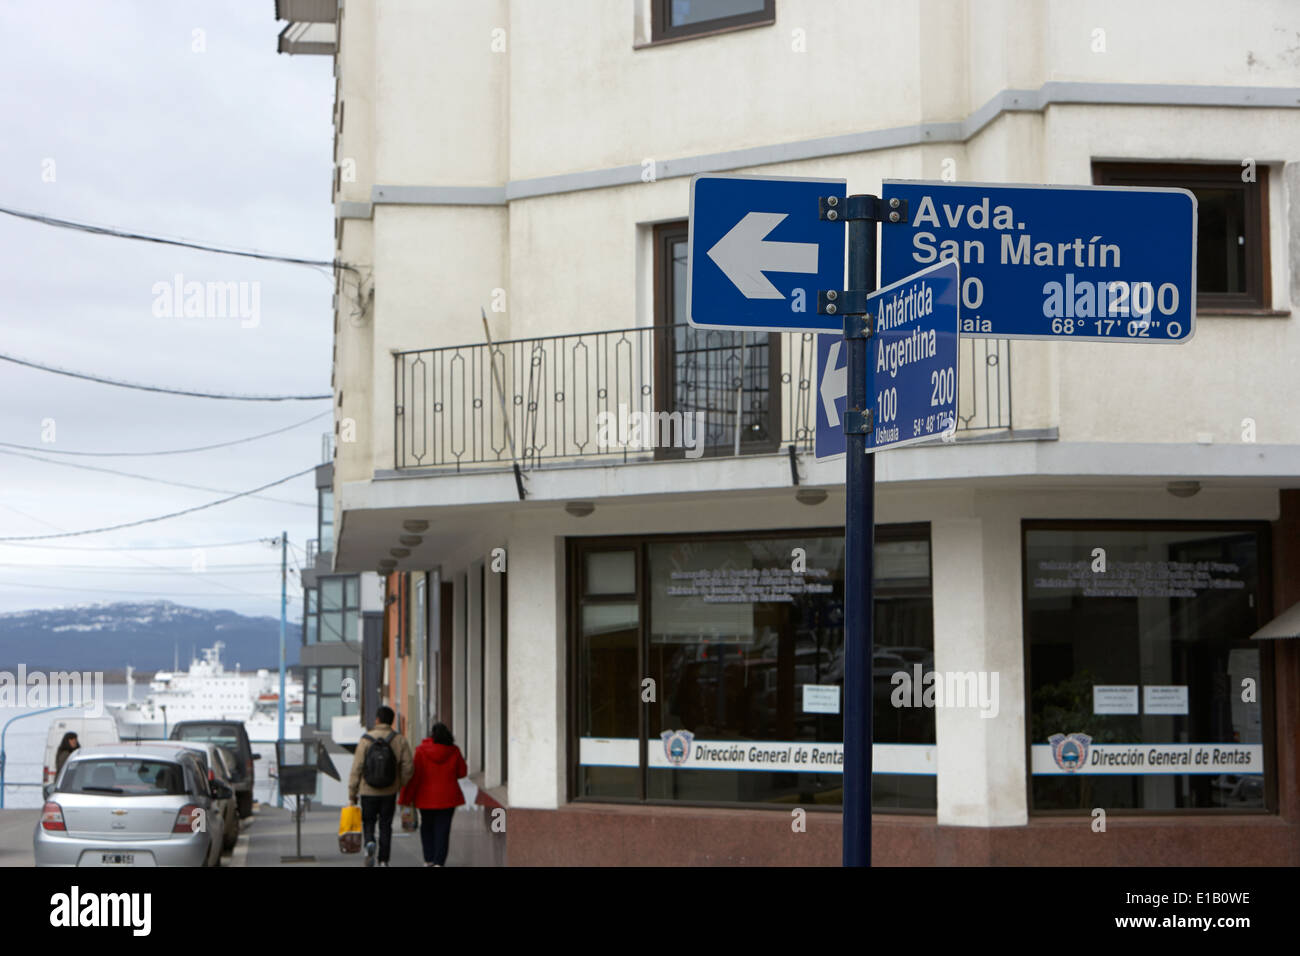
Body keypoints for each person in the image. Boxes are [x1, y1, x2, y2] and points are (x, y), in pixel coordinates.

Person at [348, 706, 414, 867]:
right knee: (386, 825)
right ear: (391, 721)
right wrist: (400, 783)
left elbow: (357, 767)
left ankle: (369, 842)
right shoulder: (399, 740)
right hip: (389, 791)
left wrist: (352, 792)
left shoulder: (365, 739)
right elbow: (408, 767)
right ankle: (384, 860)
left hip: (367, 791)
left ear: (377, 720)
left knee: (368, 821)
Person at [398, 722, 468, 867]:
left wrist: (406, 797)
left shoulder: (421, 751)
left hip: (425, 799)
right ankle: (439, 862)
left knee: (427, 828)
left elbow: (414, 777)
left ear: (432, 736)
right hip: (448, 798)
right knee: (443, 830)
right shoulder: (454, 751)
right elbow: (462, 772)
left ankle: (428, 859)